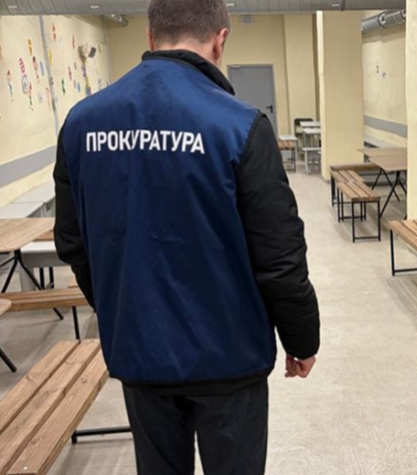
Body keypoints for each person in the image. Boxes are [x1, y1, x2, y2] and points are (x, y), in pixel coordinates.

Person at [54, 0, 320, 473]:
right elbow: (279, 255)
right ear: (220, 39)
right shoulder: (240, 125)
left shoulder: (82, 123)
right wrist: (301, 338)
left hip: (141, 354)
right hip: (230, 357)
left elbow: (74, 242)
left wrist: (121, 310)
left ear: (150, 37)